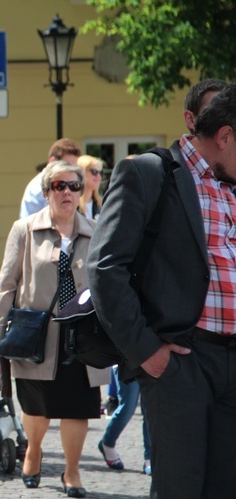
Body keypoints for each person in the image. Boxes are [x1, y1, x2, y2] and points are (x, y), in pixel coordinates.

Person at [88, 84, 236, 499]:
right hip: (181, 360)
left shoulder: (232, 185)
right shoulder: (150, 173)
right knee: (179, 489)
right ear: (224, 136)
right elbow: (104, 267)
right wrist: (146, 352)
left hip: (232, 361)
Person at [0, 161, 108, 497]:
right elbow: (6, 286)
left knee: (79, 408)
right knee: (37, 410)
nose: (68, 192)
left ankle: (72, 473)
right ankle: (33, 450)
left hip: (82, 337)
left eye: (74, 186)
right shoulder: (24, 229)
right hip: (36, 336)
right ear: (46, 193)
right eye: (60, 186)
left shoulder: (95, 231)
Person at [19, 138, 82, 218]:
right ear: (52, 161)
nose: (71, 171)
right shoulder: (37, 189)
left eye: (74, 167)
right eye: (66, 165)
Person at [76, 155, 103, 220]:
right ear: (82, 173)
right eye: (94, 172)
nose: (99, 177)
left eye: (100, 173)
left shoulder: (101, 205)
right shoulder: (72, 205)